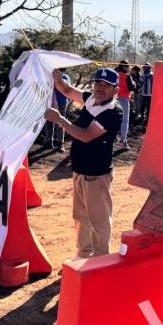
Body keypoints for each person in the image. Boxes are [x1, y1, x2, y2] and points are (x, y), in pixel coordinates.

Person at [45, 68, 124, 258]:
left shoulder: (113, 112)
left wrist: (60, 121)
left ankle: (100, 258)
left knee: (99, 220)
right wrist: (58, 80)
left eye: (107, 86)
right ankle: (83, 255)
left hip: (96, 174)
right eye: (98, 83)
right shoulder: (90, 99)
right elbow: (68, 90)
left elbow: (86, 136)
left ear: (115, 90)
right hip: (80, 169)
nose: (100, 88)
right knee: (80, 216)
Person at [44, 72, 71, 151]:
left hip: (61, 103)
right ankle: (49, 141)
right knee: (49, 122)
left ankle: (60, 143)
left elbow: (66, 88)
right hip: (50, 102)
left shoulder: (65, 77)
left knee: (60, 122)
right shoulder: (50, 76)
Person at [115, 61, 136, 148]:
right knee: (125, 120)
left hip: (114, 98)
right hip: (123, 99)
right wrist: (134, 83)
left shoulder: (115, 74)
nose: (129, 68)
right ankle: (123, 141)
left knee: (114, 118)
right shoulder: (127, 76)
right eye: (128, 67)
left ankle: (114, 137)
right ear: (124, 67)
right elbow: (131, 87)